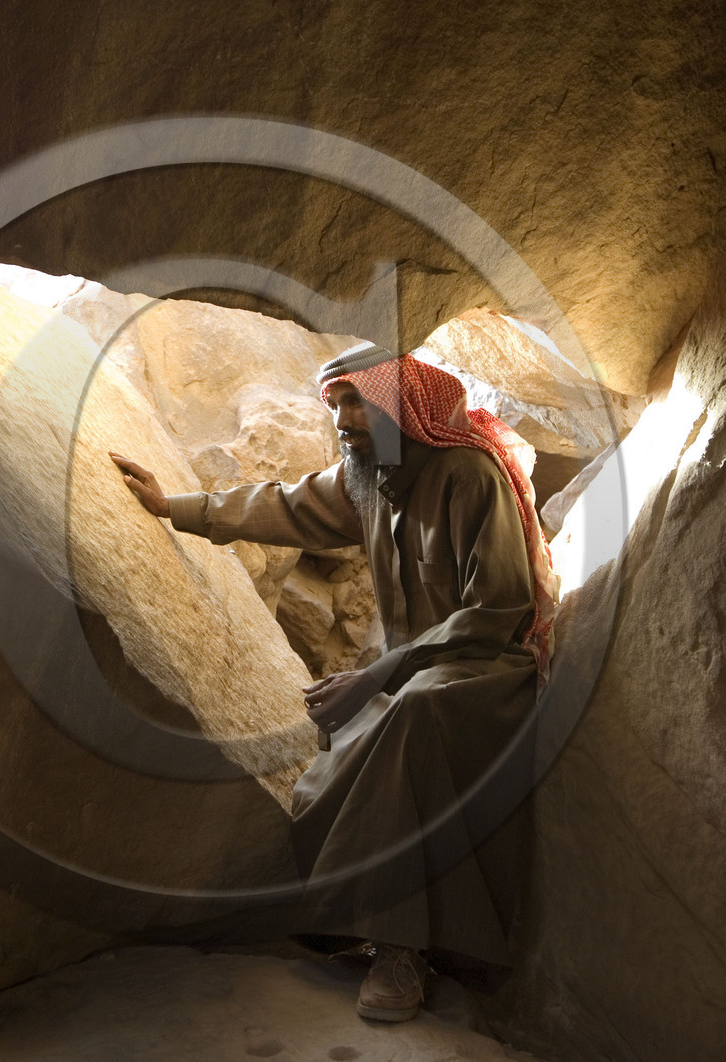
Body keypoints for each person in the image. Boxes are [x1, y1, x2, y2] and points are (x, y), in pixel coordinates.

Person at [109, 340, 557, 1022]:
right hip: (414, 669)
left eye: (358, 401)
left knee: (410, 716)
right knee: (340, 749)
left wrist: (371, 676)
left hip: (483, 666)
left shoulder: (468, 475)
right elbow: (283, 507)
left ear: (402, 407)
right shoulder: (366, 479)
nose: (344, 418)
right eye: (337, 402)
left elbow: (498, 608)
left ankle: (399, 950)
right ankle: (362, 923)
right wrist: (174, 507)